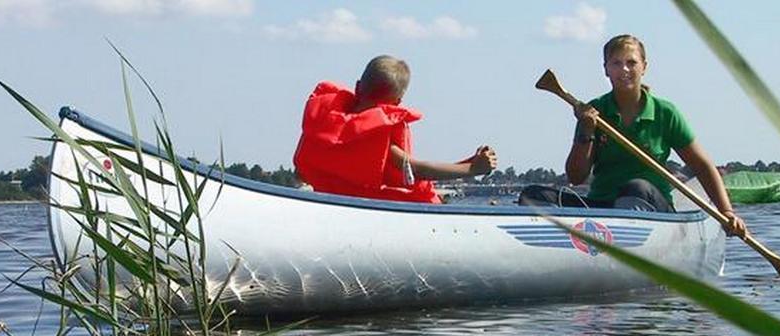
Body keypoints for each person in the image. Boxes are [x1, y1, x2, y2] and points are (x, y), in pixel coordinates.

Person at [521, 35, 746, 237]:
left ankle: (624, 247)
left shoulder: (664, 112)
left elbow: (702, 165)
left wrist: (726, 211)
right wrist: (586, 130)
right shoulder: (594, 111)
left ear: (644, 67)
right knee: (533, 195)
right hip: (602, 208)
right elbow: (576, 177)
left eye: (631, 63)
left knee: (636, 187)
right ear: (606, 69)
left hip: (652, 209)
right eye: (616, 63)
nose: (624, 70)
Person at [293, 55, 497, 203]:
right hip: (369, 207)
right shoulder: (375, 135)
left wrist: (466, 163)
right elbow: (418, 170)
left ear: (357, 87)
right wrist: (473, 169)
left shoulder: (325, 119)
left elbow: (303, 172)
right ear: (397, 102)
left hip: (329, 200)